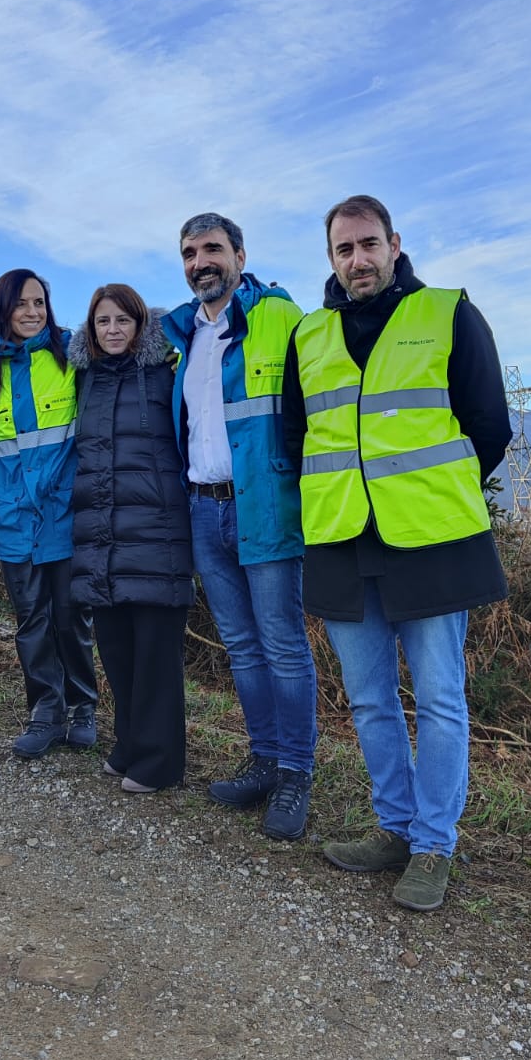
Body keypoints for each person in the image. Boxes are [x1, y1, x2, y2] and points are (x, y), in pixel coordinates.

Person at [282, 194, 511, 911]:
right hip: (344, 538)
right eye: (344, 249)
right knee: (369, 699)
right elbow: (296, 439)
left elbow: (489, 426)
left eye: (369, 245)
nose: (358, 259)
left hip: (430, 541)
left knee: (440, 699)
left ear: (394, 244)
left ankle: (435, 844)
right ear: (331, 258)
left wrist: (432, 497)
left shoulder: (447, 313)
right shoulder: (309, 337)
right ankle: (396, 828)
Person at [162, 213, 319, 840]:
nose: (202, 261)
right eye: (191, 252)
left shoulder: (280, 315)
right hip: (203, 508)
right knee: (243, 646)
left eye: (213, 250)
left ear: (240, 254)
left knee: (283, 645)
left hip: (267, 503)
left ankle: (297, 774)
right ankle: (263, 760)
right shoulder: (184, 333)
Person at [70, 285, 194, 792]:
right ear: (91, 329)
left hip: (158, 534)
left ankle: (160, 763)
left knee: (156, 656)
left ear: (140, 323)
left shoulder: (167, 372)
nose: (113, 329)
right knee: (117, 650)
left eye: (123, 319)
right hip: (102, 536)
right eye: (103, 321)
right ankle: (128, 746)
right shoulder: (85, 379)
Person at [0, 269, 97, 759]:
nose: (31, 312)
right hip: (12, 515)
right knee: (32, 618)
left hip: (65, 511)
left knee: (71, 617)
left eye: (39, 303)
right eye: (21, 304)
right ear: (2, 309)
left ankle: (84, 706)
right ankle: (45, 711)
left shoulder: (72, 354)